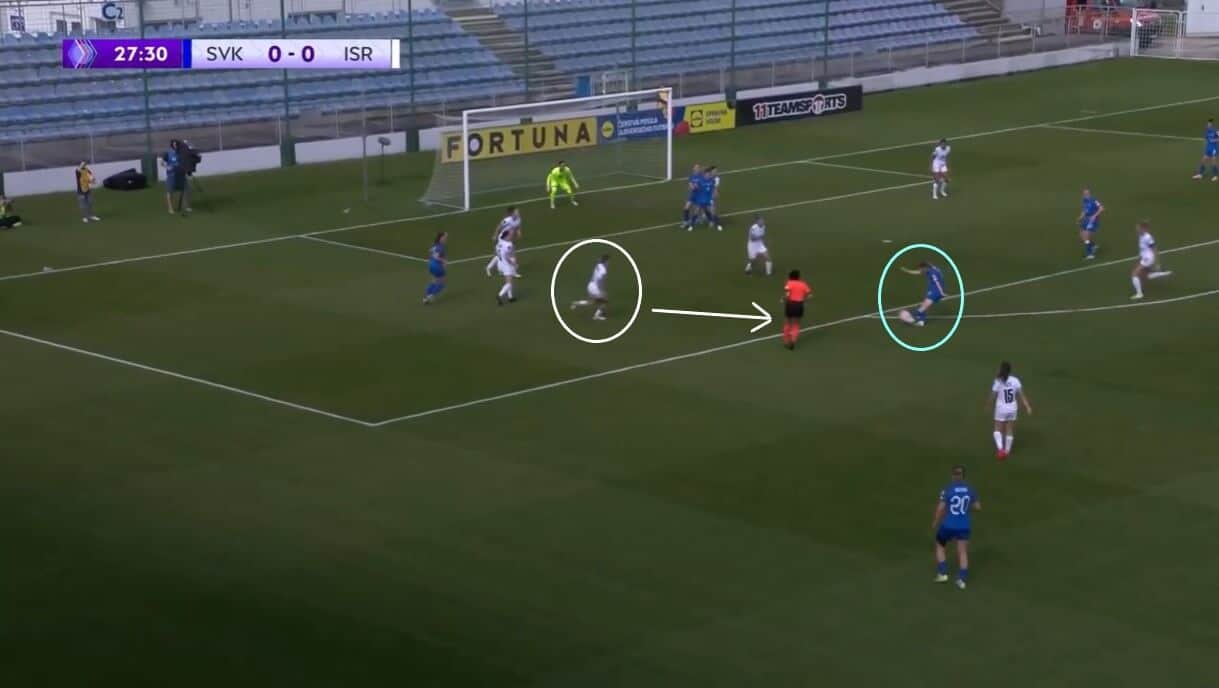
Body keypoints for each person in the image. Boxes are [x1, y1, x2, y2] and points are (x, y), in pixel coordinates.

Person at [933, 464, 980, 590]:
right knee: (962, 551)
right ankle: (962, 580)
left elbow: (941, 508)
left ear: (953, 476)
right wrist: (966, 507)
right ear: (964, 476)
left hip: (948, 525)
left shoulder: (948, 489)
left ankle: (942, 573)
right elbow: (978, 507)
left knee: (940, 545)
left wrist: (936, 521)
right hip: (964, 526)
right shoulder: (970, 490)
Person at [989, 361, 1033, 461]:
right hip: (1012, 408)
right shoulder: (1015, 380)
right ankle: (1007, 451)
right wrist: (1027, 407)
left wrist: (989, 404)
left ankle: (1001, 449)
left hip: (1001, 408)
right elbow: (1021, 395)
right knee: (1009, 430)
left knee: (997, 429)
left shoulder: (998, 381)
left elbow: (993, 395)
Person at [1130, 221, 1172, 300]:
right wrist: (1140, 256)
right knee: (1145, 276)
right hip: (1145, 257)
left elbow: (1154, 249)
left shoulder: (1148, 237)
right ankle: (1162, 273)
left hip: (1148, 258)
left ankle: (1139, 294)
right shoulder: (1141, 236)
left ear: (1143, 228)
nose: (1136, 229)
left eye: (1138, 228)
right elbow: (1143, 248)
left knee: (1134, 274)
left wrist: (1157, 263)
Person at [899, 261, 949, 327]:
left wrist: (942, 292)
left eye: (921, 269)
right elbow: (918, 272)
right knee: (924, 306)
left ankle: (908, 317)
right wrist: (908, 271)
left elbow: (937, 283)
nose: (920, 270)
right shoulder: (932, 268)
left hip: (935, 292)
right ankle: (921, 321)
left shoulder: (932, 273)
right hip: (934, 291)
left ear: (924, 268)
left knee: (922, 308)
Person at [570, 254, 609, 320]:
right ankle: (596, 316)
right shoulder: (603, 271)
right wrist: (601, 290)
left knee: (593, 302)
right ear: (606, 261)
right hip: (596, 287)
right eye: (608, 261)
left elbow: (599, 261)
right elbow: (600, 280)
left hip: (590, 285)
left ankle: (576, 303)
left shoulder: (598, 265)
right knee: (604, 302)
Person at [486, 206, 522, 277]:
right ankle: (511, 271)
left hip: (510, 238)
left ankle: (491, 268)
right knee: (506, 254)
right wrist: (495, 235)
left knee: (504, 254)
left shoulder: (518, 219)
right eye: (516, 212)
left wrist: (519, 232)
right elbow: (499, 227)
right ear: (512, 213)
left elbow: (517, 227)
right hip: (503, 238)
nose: (518, 213)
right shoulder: (507, 220)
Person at [781, 269, 812, 350]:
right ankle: (793, 340)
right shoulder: (803, 284)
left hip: (790, 304)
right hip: (799, 305)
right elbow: (809, 295)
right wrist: (804, 300)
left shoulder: (789, 283)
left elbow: (787, 294)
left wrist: (783, 299)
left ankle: (786, 341)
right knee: (796, 324)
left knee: (788, 322)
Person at [162, 139, 191, 215]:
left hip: (181, 174)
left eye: (176, 144)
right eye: (174, 144)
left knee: (186, 188)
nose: (175, 146)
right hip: (171, 174)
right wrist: (167, 167)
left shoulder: (181, 152)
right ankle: (170, 208)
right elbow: (162, 162)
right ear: (171, 145)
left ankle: (186, 206)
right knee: (169, 191)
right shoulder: (168, 153)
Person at [1077, 187, 1103, 259]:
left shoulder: (1094, 200)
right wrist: (1080, 217)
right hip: (1086, 219)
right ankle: (1093, 245)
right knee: (1082, 235)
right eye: (1084, 194)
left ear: (1089, 194)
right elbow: (1084, 210)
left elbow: (1101, 208)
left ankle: (1090, 254)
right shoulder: (1084, 201)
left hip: (1092, 220)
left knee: (1086, 236)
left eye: (1087, 193)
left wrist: (1094, 216)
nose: (1085, 195)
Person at [423, 232, 448, 304]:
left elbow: (430, 251)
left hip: (431, 264)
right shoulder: (440, 247)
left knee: (434, 281)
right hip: (437, 266)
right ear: (440, 238)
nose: (446, 239)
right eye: (445, 237)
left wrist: (431, 260)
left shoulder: (435, 245)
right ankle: (431, 296)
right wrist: (443, 261)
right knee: (442, 282)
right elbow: (436, 256)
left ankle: (425, 297)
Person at [495, 228, 518, 305]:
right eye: (510, 235)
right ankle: (500, 295)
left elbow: (497, 251)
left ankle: (510, 297)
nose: (512, 236)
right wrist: (513, 264)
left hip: (501, 264)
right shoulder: (508, 245)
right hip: (507, 265)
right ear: (506, 236)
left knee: (508, 282)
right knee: (509, 283)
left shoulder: (500, 242)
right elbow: (507, 256)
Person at [680, 163, 702, 229]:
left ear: (700, 169)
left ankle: (698, 218)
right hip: (692, 195)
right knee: (686, 208)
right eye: (696, 168)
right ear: (693, 169)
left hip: (699, 195)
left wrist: (697, 187)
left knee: (696, 209)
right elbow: (690, 185)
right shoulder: (691, 176)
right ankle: (685, 222)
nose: (697, 169)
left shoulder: (702, 177)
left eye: (698, 168)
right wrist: (692, 187)